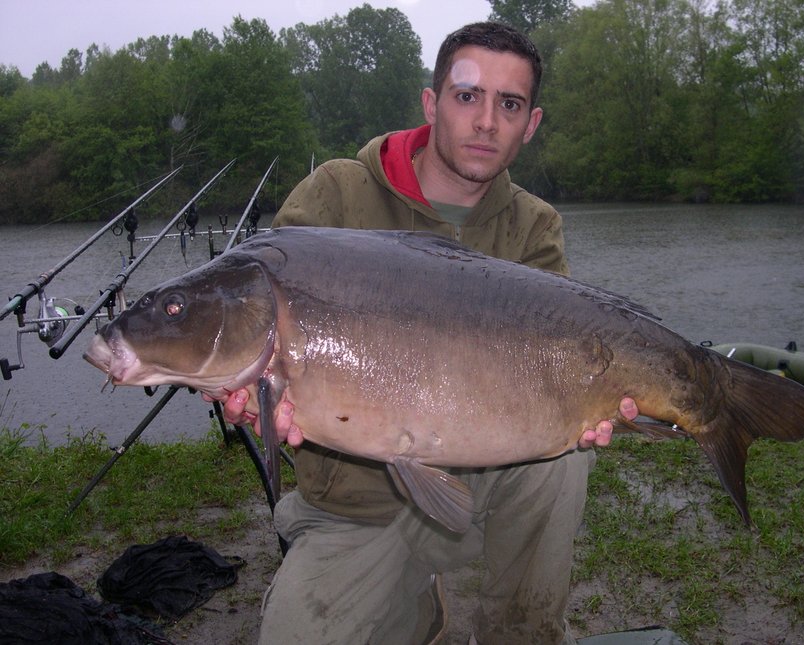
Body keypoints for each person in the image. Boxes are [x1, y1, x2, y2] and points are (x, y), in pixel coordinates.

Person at [216, 22, 639, 644]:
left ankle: (519, 633)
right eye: (468, 96)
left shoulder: (532, 227)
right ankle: (417, 610)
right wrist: (248, 392)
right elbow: (259, 316)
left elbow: (564, 358)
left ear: (532, 122)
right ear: (431, 102)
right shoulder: (335, 194)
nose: (487, 121)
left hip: (483, 484)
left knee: (565, 452)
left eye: (510, 104)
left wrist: (593, 402)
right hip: (352, 510)